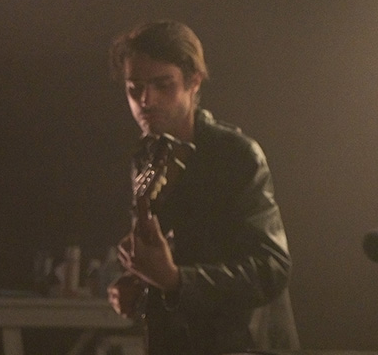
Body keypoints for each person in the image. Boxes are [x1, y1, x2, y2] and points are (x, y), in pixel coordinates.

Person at [107, 19, 299, 354]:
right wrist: (138, 285)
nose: (145, 100)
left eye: (162, 84)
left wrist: (176, 279)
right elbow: (171, 258)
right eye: (134, 88)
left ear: (194, 81)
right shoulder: (146, 156)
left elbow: (272, 270)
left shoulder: (235, 155)